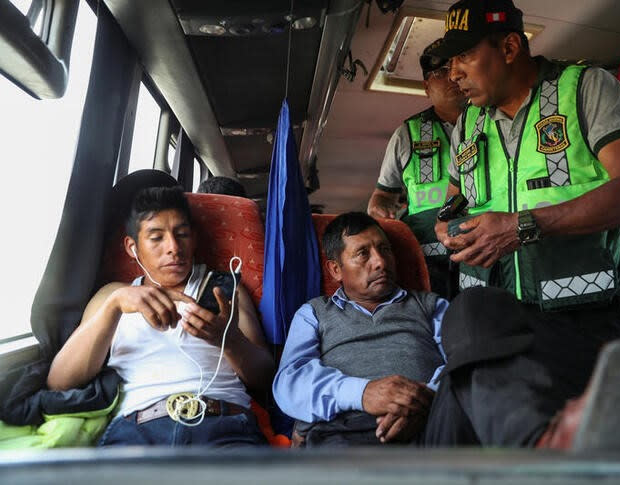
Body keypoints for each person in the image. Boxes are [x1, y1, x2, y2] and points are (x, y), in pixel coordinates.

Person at [420, 0, 620, 450]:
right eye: (450, 62)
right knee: (463, 343)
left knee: (457, 371)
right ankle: (540, 447)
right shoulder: (467, 123)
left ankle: (534, 454)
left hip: (579, 319)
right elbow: (454, 198)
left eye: (465, 56)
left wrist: (521, 225)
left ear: (508, 47)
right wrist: (448, 226)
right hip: (496, 330)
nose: (454, 74)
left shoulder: (584, 88)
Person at [47, 186, 274, 446]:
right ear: (132, 247)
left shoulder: (224, 290)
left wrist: (229, 340)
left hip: (222, 423)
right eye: (156, 238)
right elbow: (60, 382)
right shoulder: (112, 296)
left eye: (182, 234)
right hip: (137, 432)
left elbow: (265, 377)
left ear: (194, 239)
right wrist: (114, 306)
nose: (173, 248)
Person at [273, 212, 448, 446]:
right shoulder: (314, 313)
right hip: (346, 429)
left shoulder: (431, 306)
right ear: (336, 270)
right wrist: (362, 394)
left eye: (385, 249)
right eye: (362, 253)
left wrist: (426, 399)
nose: (380, 262)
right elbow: (290, 381)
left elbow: (462, 363)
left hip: (430, 422)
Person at [367, 40, 467, 297]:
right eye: (441, 72)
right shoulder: (406, 134)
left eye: (455, 66)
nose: (452, 76)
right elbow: (382, 195)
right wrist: (381, 208)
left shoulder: (492, 121)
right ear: (426, 87)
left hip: (481, 244)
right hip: (430, 258)